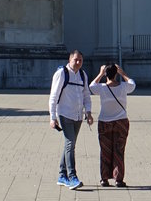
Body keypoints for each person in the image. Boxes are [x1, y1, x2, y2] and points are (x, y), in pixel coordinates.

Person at [49, 50, 93, 188]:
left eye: (80, 60)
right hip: (64, 114)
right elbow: (53, 96)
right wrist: (52, 117)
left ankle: (62, 175)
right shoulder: (62, 73)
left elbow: (86, 94)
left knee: (70, 145)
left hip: (78, 116)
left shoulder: (82, 74)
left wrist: (89, 112)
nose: (78, 62)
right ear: (69, 60)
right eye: (75, 60)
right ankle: (72, 177)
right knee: (70, 144)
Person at [90, 63, 136, 186]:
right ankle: (118, 179)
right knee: (119, 151)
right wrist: (123, 73)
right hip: (121, 122)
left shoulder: (102, 88)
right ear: (116, 74)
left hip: (104, 122)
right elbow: (133, 84)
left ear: (106, 75)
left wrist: (100, 73)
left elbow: (91, 86)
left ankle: (104, 179)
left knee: (105, 150)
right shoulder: (124, 87)